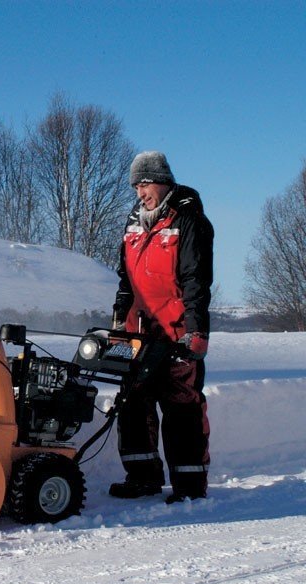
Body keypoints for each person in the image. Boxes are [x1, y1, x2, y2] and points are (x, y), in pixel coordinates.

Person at [109, 151, 214, 504]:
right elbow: (126, 282)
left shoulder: (188, 220)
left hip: (177, 332)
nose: (140, 192)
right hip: (138, 332)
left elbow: (195, 281)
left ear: (163, 181)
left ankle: (189, 486)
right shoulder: (132, 224)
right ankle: (143, 478)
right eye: (136, 185)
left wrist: (196, 331)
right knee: (133, 403)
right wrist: (117, 324)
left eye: (145, 183)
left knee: (181, 405)